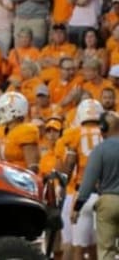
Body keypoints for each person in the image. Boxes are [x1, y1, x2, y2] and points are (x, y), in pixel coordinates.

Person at [56, 98, 104, 260]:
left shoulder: (74, 133)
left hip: (82, 192)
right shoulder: (108, 132)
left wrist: (62, 185)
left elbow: (69, 164)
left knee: (78, 247)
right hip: (105, 193)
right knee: (99, 247)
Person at [73, 111, 119, 260]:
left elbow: (88, 183)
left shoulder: (100, 150)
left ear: (103, 128)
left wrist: (77, 207)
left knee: (106, 250)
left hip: (109, 202)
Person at [0, 91, 41, 172]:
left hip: (20, 178)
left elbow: (33, 168)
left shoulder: (26, 131)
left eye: (3, 110)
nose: (0, 113)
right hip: (7, 176)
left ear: (15, 111)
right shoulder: (2, 130)